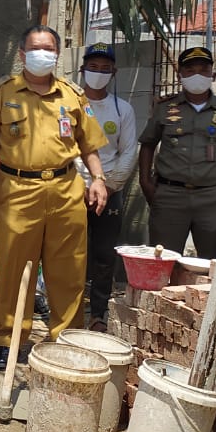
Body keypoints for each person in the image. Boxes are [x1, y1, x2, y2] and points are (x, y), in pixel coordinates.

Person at [0, 25, 109, 371]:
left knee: (69, 269)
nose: (42, 54)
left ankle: (64, 340)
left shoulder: (73, 96)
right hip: (17, 189)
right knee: (14, 267)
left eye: (49, 49)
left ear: (57, 55)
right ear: (21, 54)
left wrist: (99, 179)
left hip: (65, 189)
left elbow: (88, 145)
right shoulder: (1, 93)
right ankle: (10, 340)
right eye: (35, 48)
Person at [138, 45, 216, 258]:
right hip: (170, 196)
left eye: (203, 70)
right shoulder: (164, 108)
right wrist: (145, 182)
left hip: (212, 198)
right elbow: (148, 144)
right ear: (180, 76)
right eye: (190, 71)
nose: (197, 75)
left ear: (212, 75)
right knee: (164, 261)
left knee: (214, 262)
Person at [77, 43, 138, 331]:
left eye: (104, 69)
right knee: (68, 254)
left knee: (104, 256)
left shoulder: (121, 109)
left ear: (113, 72)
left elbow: (128, 152)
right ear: (82, 69)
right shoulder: (70, 103)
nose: (97, 73)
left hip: (109, 192)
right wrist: (79, 185)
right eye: (92, 67)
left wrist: (109, 187)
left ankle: (98, 314)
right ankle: (68, 311)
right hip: (72, 191)